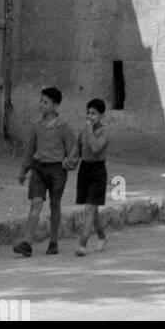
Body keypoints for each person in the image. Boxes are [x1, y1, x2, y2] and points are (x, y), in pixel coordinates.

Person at [13, 86, 79, 256]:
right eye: (41, 101)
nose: (41, 104)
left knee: (54, 204)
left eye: (45, 102)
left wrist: (68, 164)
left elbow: (72, 150)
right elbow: (29, 150)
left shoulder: (63, 127)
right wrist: (23, 170)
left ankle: (54, 241)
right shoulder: (37, 126)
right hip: (38, 169)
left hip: (57, 170)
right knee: (36, 203)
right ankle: (27, 242)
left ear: (55, 106)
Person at [74, 97, 110, 256]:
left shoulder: (104, 131)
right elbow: (78, 148)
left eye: (93, 114)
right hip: (84, 169)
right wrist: (69, 160)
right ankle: (102, 236)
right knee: (91, 209)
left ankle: (83, 243)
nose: (89, 117)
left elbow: (96, 147)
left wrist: (89, 131)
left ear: (101, 115)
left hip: (98, 170)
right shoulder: (83, 131)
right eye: (88, 113)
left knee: (90, 208)